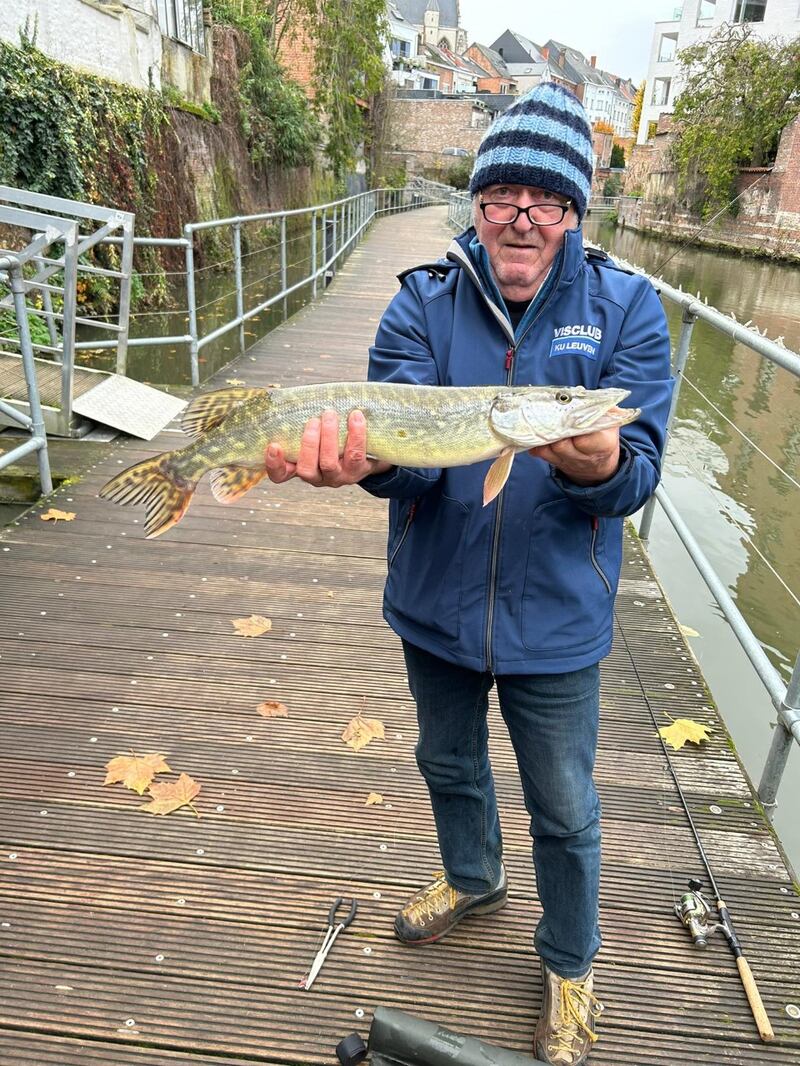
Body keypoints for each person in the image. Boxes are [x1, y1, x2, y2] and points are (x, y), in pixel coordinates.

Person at [265, 83, 673, 1065]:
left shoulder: (627, 308)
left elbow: (638, 474)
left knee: (564, 806)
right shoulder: (421, 301)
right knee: (446, 763)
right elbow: (405, 457)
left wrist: (600, 466)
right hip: (434, 604)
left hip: (557, 621)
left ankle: (570, 962)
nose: (522, 215)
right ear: (478, 201)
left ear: (574, 211)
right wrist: (364, 465)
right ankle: (472, 875)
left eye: (548, 198)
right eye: (502, 194)